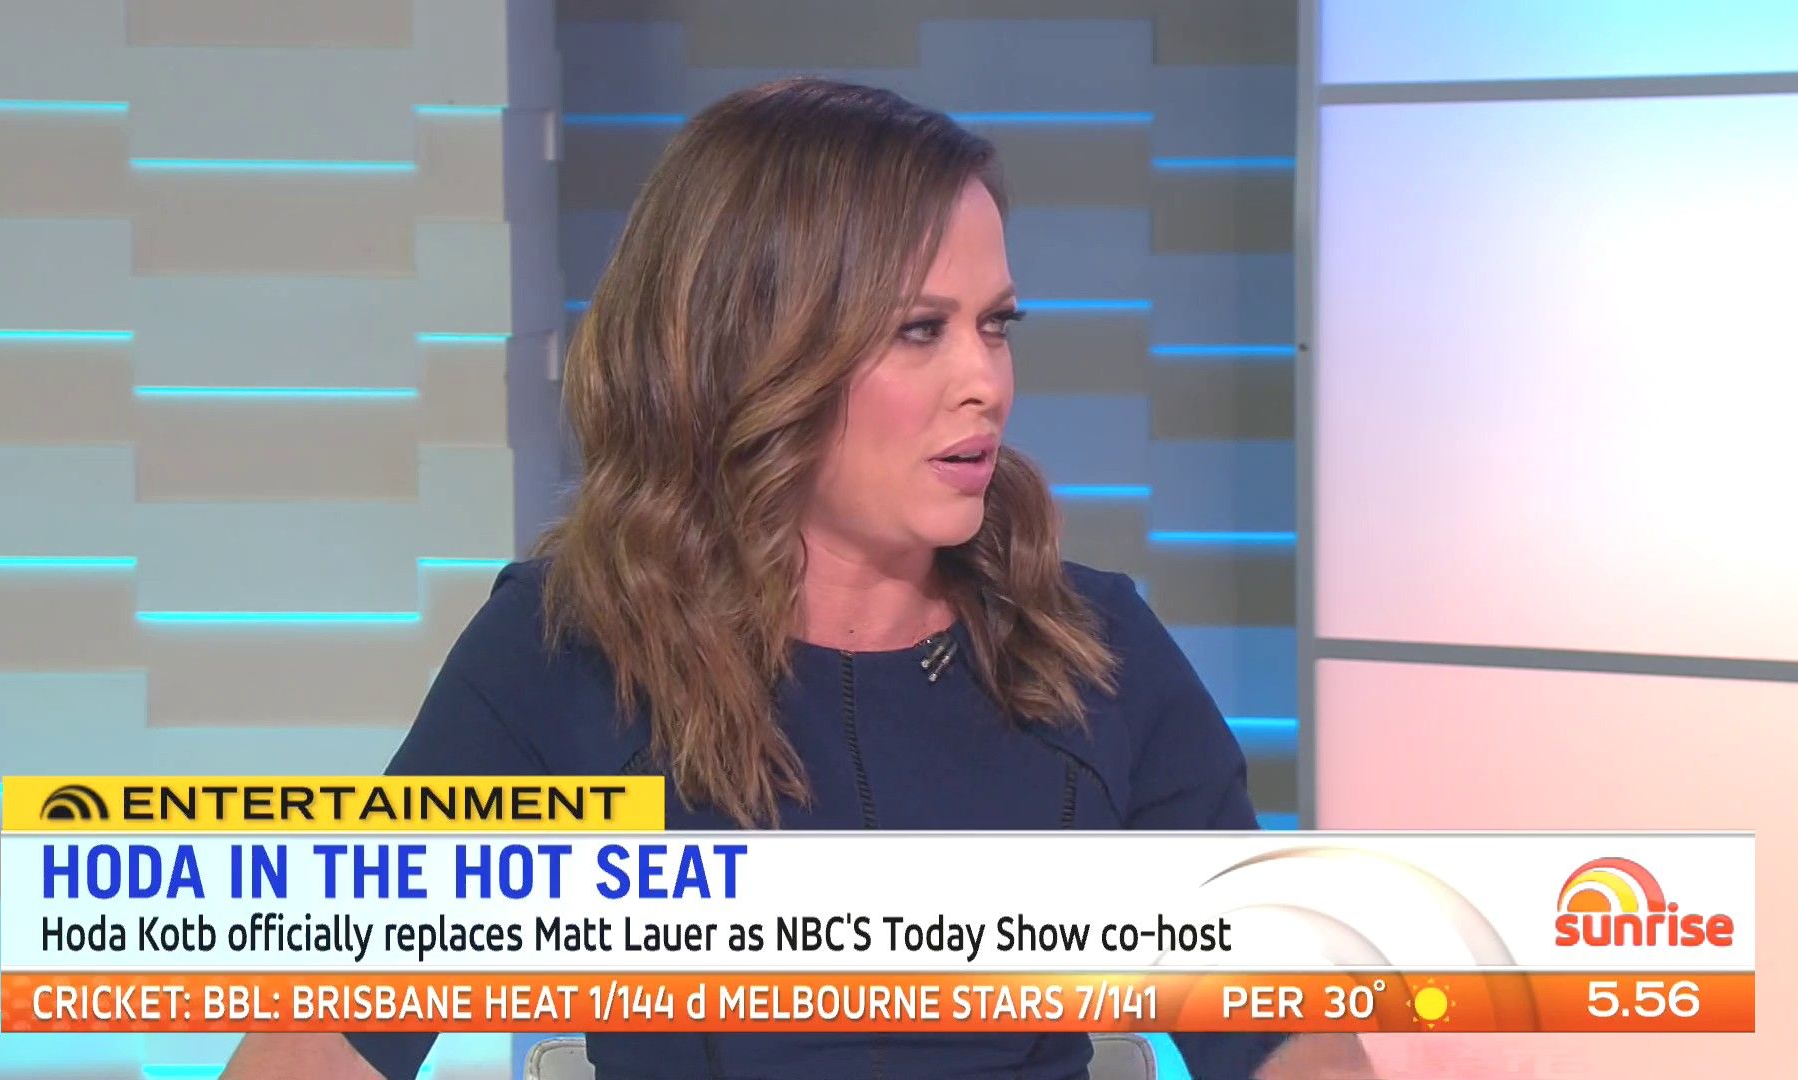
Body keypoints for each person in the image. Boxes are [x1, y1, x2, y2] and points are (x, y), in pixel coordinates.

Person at [225, 77, 1374, 1080]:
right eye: (920, 330)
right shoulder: (563, 653)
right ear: (757, 351)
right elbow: (322, 1042)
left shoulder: (1096, 651)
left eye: (995, 325)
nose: (985, 381)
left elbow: (1291, 1039)